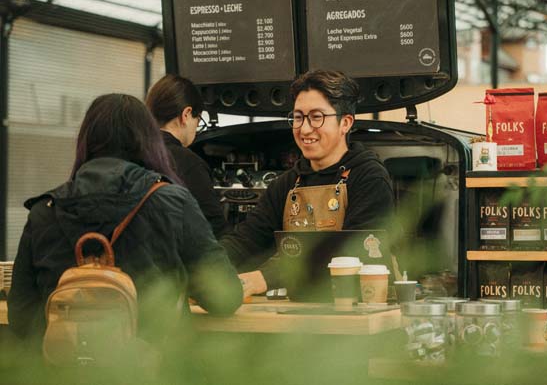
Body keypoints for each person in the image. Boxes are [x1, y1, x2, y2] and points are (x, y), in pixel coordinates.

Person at [8, 94, 242, 343]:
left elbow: (21, 316)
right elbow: (224, 297)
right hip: (159, 372)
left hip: (65, 373)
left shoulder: (45, 210)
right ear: (149, 141)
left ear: (85, 141)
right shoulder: (172, 202)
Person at [219, 70, 395, 297]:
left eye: (316, 117)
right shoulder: (287, 184)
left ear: (345, 123)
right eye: (299, 117)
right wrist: (206, 268)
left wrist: (262, 278)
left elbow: (351, 252)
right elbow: (246, 240)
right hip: (299, 321)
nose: (304, 129)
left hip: (356, 316)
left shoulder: (369, 178)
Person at [146, 74, 230, 236]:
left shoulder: (131, 152)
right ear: (186, 114)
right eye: (198, 121)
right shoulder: (189, 164)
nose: (196, 129)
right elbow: (215, 230)